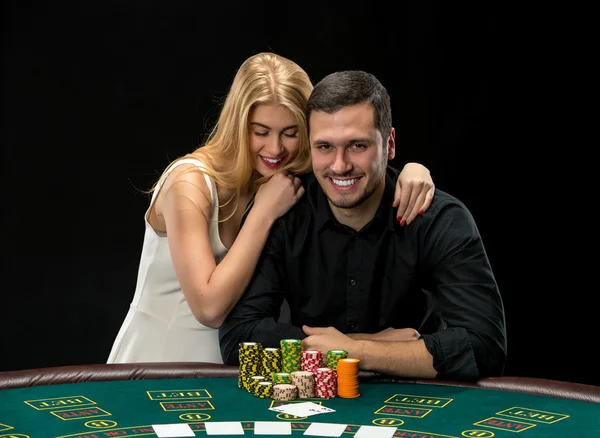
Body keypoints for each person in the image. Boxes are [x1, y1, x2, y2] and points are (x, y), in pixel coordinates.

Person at [107, 53, 436, 364]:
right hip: (157, 360)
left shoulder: (280, 182)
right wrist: (263, 213)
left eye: (290, 133)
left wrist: (412, 171)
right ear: (238, 125)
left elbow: (359, 162)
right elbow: (209, 309)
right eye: (260, 132)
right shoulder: (189, 183)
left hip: (232, 366)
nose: (275, 148)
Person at [218, 70, 507, 381]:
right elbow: (239, 338)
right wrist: (367, 345)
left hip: (415, 402)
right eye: (325, 147)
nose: (340, 165)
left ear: (390, 144)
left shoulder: (439, 219)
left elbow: (484, 347)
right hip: (313, 399)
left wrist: (358, 351)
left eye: (357, 146)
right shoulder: (284, 212)